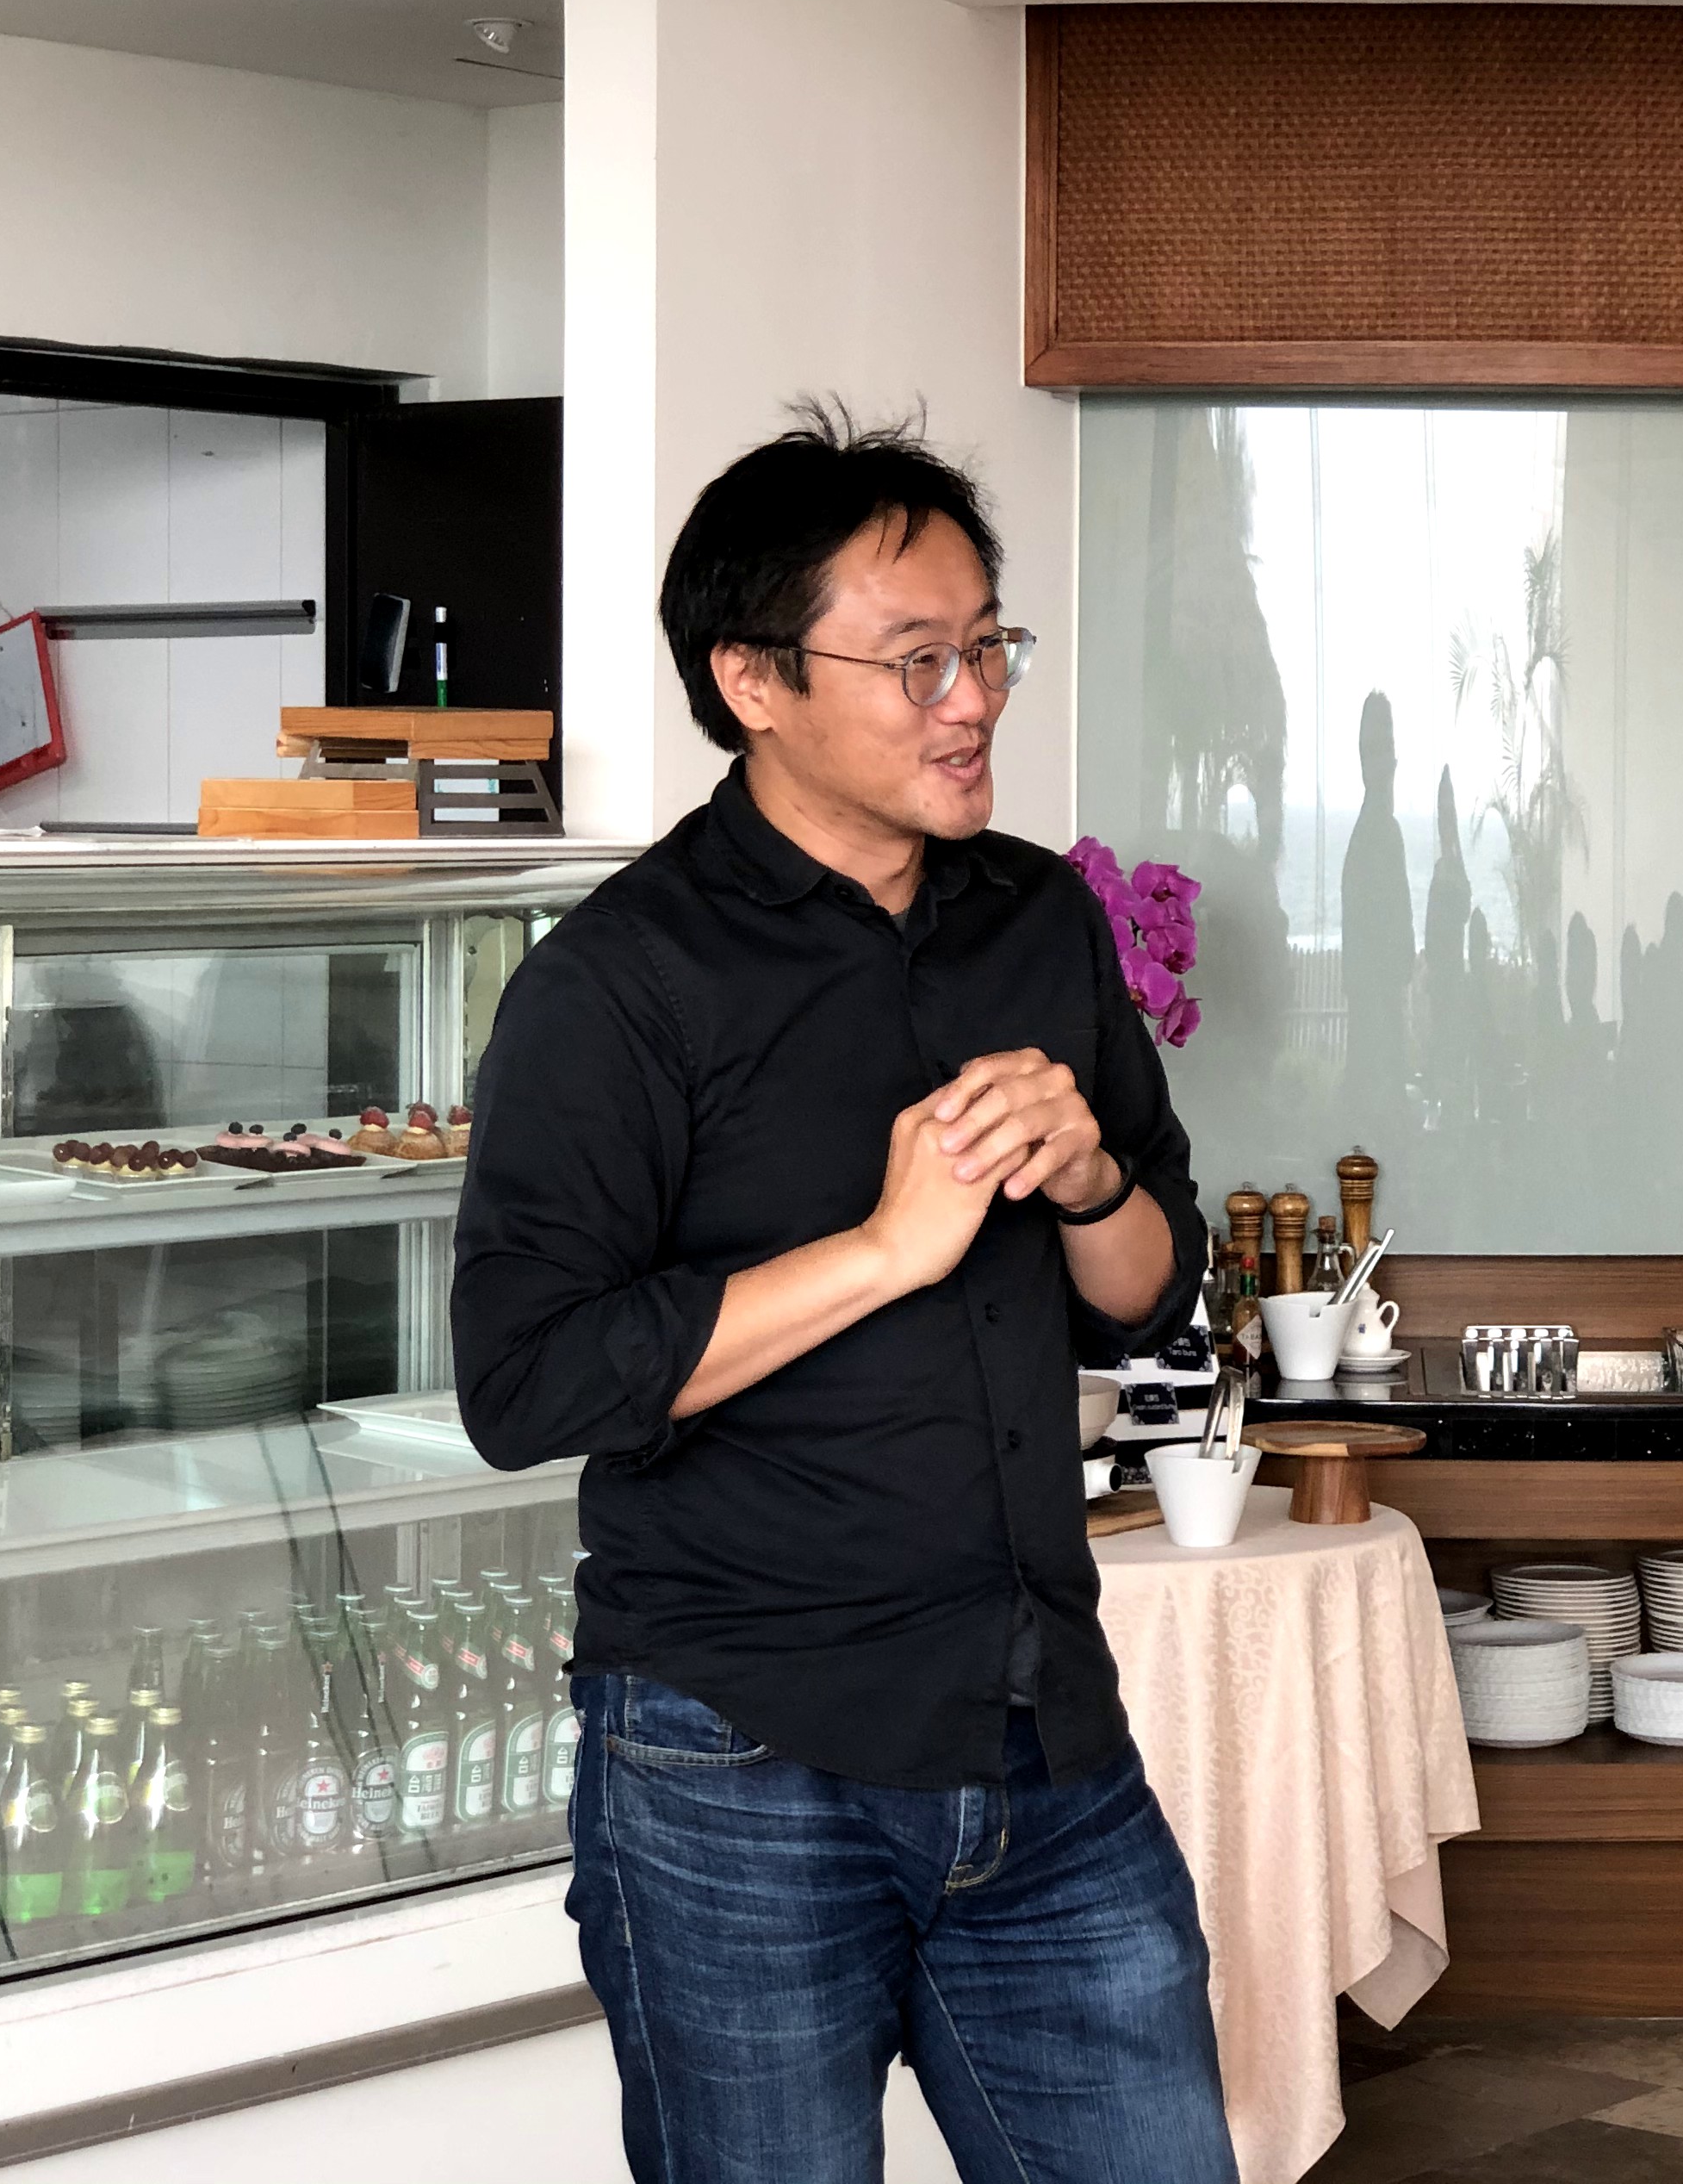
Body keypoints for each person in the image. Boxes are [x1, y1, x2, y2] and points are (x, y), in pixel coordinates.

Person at [451, 405, 1233, 2184]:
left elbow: (1148, 1297)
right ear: (754, 682)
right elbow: (530, 1382)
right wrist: (884, 1249)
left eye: (988, 648)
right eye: (916, 660)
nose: (973, 702)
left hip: (1041, 1733)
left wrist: (1090, 1179)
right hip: (739, 1760)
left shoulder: (1040, 921)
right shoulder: (619, 983)